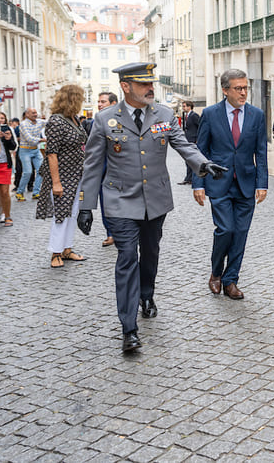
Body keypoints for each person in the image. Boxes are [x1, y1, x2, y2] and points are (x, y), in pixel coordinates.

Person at [76, 63, 225, 354]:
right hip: (120, 201)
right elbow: (92, 166)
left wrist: (203, 165)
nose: (150, 88)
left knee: (151, 253)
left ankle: (147, 294)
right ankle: (128, 328)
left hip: (155, 201)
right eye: (143, 84)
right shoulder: (105, 120)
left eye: (151, 83)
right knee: (127, 257)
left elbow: (184, 146)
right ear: (126, 87)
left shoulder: (165, 115)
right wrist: (86, 206)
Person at [194, 69, 268, 302]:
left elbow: (261, 152)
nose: (244, 92)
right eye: (238, 88)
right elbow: (201, 152)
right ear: (225, 90)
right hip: (219, 182)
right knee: (226, 229)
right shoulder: (210, 114)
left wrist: (262, 183)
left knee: (241, 233)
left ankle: (231, 280)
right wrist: (198, 183)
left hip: (246, 183)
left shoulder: (256, 115)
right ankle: (216, 272)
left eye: (246, 88)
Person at [37, 84, 89, 268]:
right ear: (73, 99)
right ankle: (55, 253)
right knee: (61, 214)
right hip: (62, 175)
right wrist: (56, 182)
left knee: (72, 213)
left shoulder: (74, 119)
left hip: (76, 174)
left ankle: (67, 249)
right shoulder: (56, 121)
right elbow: (51, 153)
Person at [87, 91, 118, 247]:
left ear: (113, 103)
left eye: (103, 102)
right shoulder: (96, 122)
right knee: (106, 203)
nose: (99, 104)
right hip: (103, 169)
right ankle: (111, 233)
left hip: (121, 169)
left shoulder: (123, 120)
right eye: (98, 101)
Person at [15, 107, 45, 201]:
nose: (35, 114)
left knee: (41, 170)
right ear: (27, 114)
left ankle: (36, 192)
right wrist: (42, 140)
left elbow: (51, 122)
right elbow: (29, 139)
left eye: (36, 112)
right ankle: (20, 192)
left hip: (36, 150)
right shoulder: (23, 124)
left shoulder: (40, 122)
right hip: (25, 151)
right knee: (28, 172)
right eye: (33, 113)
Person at [179, 101, 201, 185]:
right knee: (187, 160)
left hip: (193, 140)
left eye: (184, 106)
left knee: (192, 159)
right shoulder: (185, 116)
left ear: (189, 107)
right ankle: (188, 178)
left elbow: (200, 127)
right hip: (187, 140)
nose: (183, 108)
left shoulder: (194, 116)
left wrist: (197, 139)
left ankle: (191, 178)